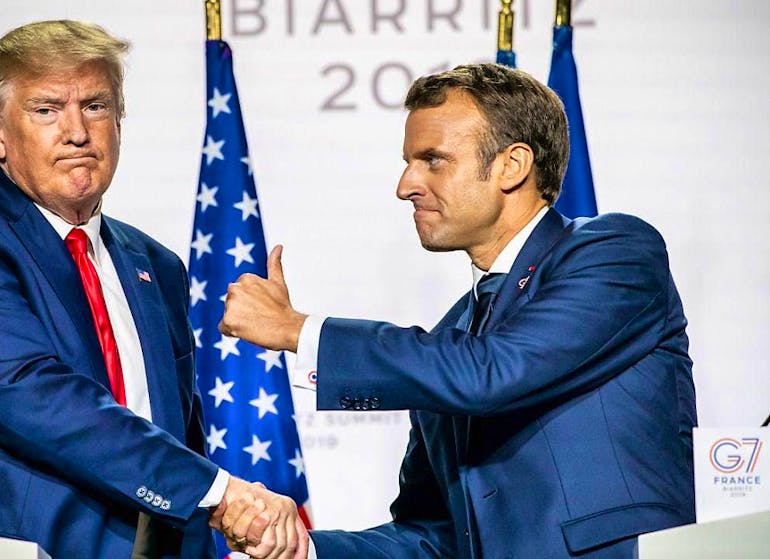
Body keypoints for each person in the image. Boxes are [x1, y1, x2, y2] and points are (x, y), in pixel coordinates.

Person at [0, 20, 305, 559]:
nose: (77, 131)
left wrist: (223, 516)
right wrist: (218, 493)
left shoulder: (155, 266)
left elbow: (180, 435)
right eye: (47, 110)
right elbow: (31, 393)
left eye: (95, 106)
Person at [220, 63, 697, 558]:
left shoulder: (615, 252)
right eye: (408, 162)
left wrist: (299, 331)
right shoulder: (450, 336)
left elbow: (492, 373)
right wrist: (302, 549)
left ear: (512, 166)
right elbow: (432, 535)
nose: (405, 185)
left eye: (433, 160)